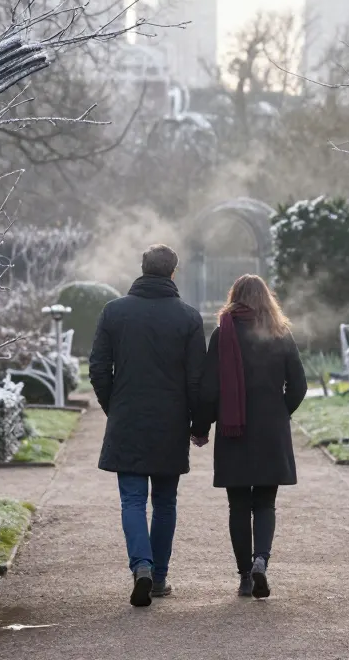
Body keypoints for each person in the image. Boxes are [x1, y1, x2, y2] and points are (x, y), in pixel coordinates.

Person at [90, 244, 206, 607]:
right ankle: (158, 579)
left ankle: (141, 565)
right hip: (170, 423)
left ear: (142, 269)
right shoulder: (188, 317)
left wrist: (115, 408)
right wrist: (197, 424)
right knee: (166, 503)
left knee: (133, 500)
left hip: (128, 418)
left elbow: (98, 369)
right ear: (174, 273)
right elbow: (196, 381)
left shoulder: (114, 312)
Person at [191, 274, 306, 599]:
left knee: (238, 506)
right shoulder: (280, 333)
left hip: (234, 431)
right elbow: (299, 386)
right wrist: (281, 413)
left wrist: (200, 427)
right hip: (270, 432)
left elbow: (210, 389)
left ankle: (244, 576)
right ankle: (261, 561)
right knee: (266, 503)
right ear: (267, 298)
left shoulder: (223, 333)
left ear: (234, 297)